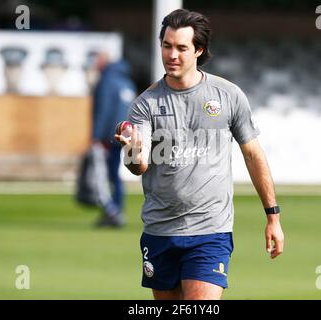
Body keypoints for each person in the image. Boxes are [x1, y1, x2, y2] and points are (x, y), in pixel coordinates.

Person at [115, 9, 284, 299]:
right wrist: (131, 150)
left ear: (199, 50)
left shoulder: (228, 95)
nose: (172, 55)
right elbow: (138, 166)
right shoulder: (145, 104)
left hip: (210, 231)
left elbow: (253, 155)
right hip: (160, 231)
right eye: (167, 46)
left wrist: (273, 216)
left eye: (181, 48)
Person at [92, 51, 136, 227]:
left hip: (110, 136)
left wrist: (96, 136)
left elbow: (103, 110)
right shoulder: (127, 82)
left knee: (106, 175)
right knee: (115, 175)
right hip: (127, 134)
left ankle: (112, 211)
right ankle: (116, 210)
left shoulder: (106, 82)